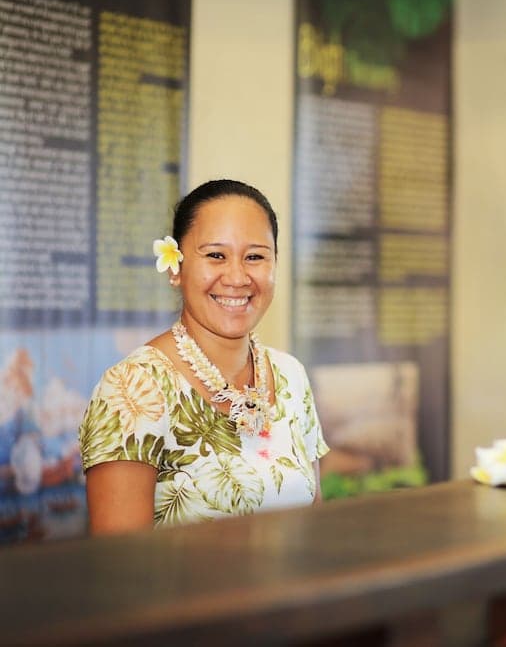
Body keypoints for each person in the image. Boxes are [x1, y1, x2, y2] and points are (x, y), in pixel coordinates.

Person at [79, 180, 329, 534]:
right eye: (215, 255)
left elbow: (314, 526)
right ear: (176, 267)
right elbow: (120, 561)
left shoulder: (291, 376)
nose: (237, 277)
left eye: (255, 257)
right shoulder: (132, 389)